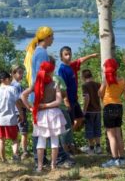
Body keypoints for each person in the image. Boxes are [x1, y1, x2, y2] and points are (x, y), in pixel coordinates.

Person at [23, 26, 74, 167]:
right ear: (46, 37)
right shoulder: (41, 53)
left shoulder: (38, 51)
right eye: (52, 36)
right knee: (46, 130)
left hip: (38, 95)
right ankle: (51, 159)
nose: (53, 39)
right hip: (42, 96)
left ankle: (43, 160)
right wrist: (49, 92)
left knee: (42, 130)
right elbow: (42, 76)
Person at [21, 61, 67, 172]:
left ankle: (40, 166)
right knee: (55, 140)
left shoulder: (36, 84)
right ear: (50, 72)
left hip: (40, 115)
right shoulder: (54, 84)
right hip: (54, 114)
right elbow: (58, 101)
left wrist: (30, 108)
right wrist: (47, 105)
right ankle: (53, 165)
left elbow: (22, 95)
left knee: (41, 141)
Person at [57, 46, 98, 152]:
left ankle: (70, 141)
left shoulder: (72, 66)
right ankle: (67, 146)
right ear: (61, 57)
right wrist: (66, 101)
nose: (69, 56)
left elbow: (81, 60)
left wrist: (92, 56)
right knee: (68, 124)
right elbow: (62, 86)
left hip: (74, 100)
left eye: (70, 53)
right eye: (66, 54)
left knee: (80, 119)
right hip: (68, 101)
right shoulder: (62, 69)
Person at [0, 71, 25, 162]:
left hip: (0, 120)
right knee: (14, 139)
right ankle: (15, 155)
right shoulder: (13, 89)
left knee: (1, 140)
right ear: (4, 80)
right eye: (9, 78)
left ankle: (3, 159)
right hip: (12, 119)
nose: (10, 80)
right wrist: (21, 114)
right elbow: (17, 103)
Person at [99, 58, 125, 168]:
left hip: (108, 106)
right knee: (118, 134)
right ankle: (122, 158)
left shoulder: (106, 79)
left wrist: (102, 96)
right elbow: (120, 93)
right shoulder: (122, 80)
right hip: (118, 106)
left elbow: (100, 93)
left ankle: (114, 159)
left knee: (111, 136)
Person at [10, 64, 30, 160]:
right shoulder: (18, 85)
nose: (22, 75)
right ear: (14, 73)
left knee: (15, 133)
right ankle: (24, 151)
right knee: (24, 132)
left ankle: (15, 153)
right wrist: (28, 107)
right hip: (20, 112)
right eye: (20, 73)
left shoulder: (9, 85)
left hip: (12, 112)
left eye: (22, 73)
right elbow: (19, 100)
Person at [81, 68, 102, 155]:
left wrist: (84, 110)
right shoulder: (98, 84)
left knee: (89, 129)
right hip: (98, 110)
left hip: (90, 111)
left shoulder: (85, 85)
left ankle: (91, 148)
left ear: (83, 77)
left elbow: (87, 97)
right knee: (97, 128)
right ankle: (98, 147)